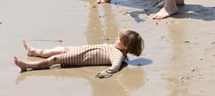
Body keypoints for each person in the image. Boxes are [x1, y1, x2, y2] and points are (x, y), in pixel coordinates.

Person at [13, 28, 144, 78]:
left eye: (119, 40)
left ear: (126, 46)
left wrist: (107, 72)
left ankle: (27, 66)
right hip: (78, 49)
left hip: (79, 57)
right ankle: (33, 51)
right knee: (55, 49)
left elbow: (115, 66)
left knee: (53, 59)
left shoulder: (119, 55)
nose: (116, 39)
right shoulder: (116, 47)